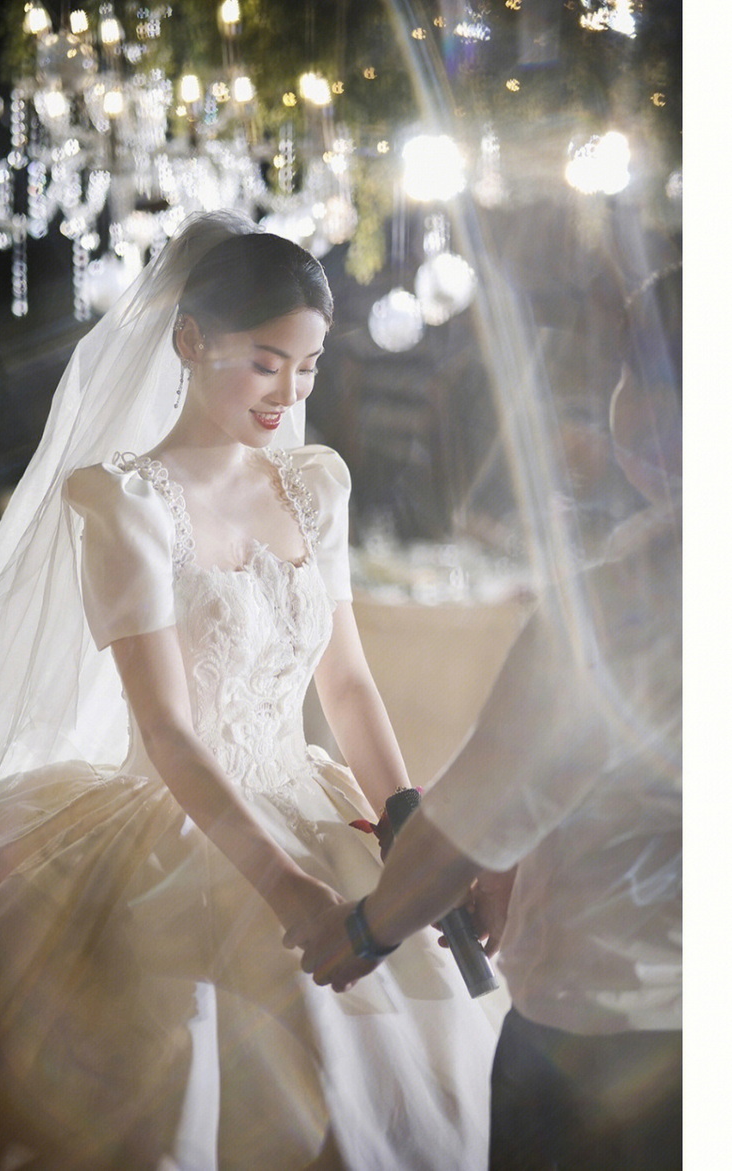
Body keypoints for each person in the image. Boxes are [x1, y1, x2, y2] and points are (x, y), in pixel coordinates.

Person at [0, 212, 498, 1170]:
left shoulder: (314, 486)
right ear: (189, 340)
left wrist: (405, 822)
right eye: (265, 363)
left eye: (307, 367)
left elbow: (347, 682)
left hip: (313, 801)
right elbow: (168, 732)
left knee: (410, 1086)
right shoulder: (126, 501)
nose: (289, 393)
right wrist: (290, 892)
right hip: (178, 825)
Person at [290, 356, 682, 1170]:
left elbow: (484, 809)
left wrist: (366, 930)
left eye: (631, 368)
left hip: (607, 1018)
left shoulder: (625, 601)